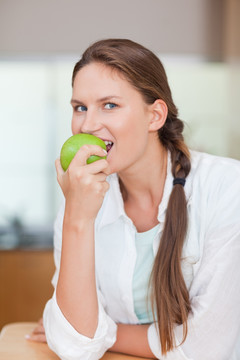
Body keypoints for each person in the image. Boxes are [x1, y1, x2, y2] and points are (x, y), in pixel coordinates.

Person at [27, 39, 240, 359]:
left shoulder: (227, 188)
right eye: (80, 107)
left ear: (155, 116)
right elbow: (76, 347)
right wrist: (78, 217)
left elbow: (206, 349)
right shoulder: (81, 196)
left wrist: (105, 333)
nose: (87, 125)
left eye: (109, 105)